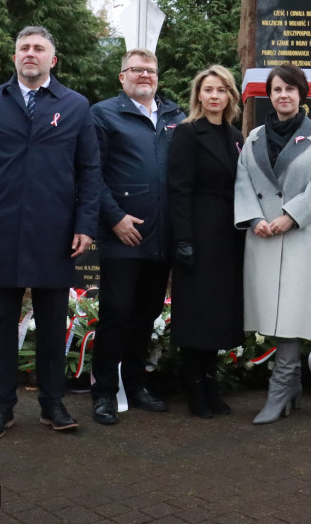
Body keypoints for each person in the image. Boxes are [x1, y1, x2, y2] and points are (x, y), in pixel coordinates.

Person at [0, 26, 101, 440]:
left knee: (54, 323)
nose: (31, 54)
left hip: (55, 232)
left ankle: (52, 403)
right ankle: (2, 405)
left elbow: (89, 170)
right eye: (24, 48)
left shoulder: (75, 105)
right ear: (14, 57)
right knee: (1, 322)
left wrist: (85, 225)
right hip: (0, 230)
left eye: (39, 49)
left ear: (52, 60)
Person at [234, 63, 311, 424]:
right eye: (277, 89)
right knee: (270, 313)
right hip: (262, 235)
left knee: (292, 312)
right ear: (270, 94)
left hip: (297, 236)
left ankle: (279, 392)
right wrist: (255, 218)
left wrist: (290, 216)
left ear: (301, 94)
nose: (283, 95)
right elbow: (243, 181)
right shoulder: (254, 137)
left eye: (290, 89)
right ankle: (292, 385)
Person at [89, 48, 185, 425]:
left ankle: (136, 383)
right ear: (122, 77)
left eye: (151, 71)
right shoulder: (103, 114)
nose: (144, 75)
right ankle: (104, 393)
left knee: (145, 316)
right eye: (136, 70)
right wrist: (114, 219)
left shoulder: (175, 115)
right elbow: (90, 174)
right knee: (115, 315)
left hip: (160, 238)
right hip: (122, 237)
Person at [168, 65, 245, 418]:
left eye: (221, 90)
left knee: (216, 315)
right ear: (198, 95)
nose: (214, 95)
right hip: (197, 234)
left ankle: (211, 384)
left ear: (230, 96)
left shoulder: (235, 136)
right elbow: (178, 190)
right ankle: (195, 389)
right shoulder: (187, 133)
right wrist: (183, 239)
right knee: (195, 315)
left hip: (227, 238)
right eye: (208, 89)